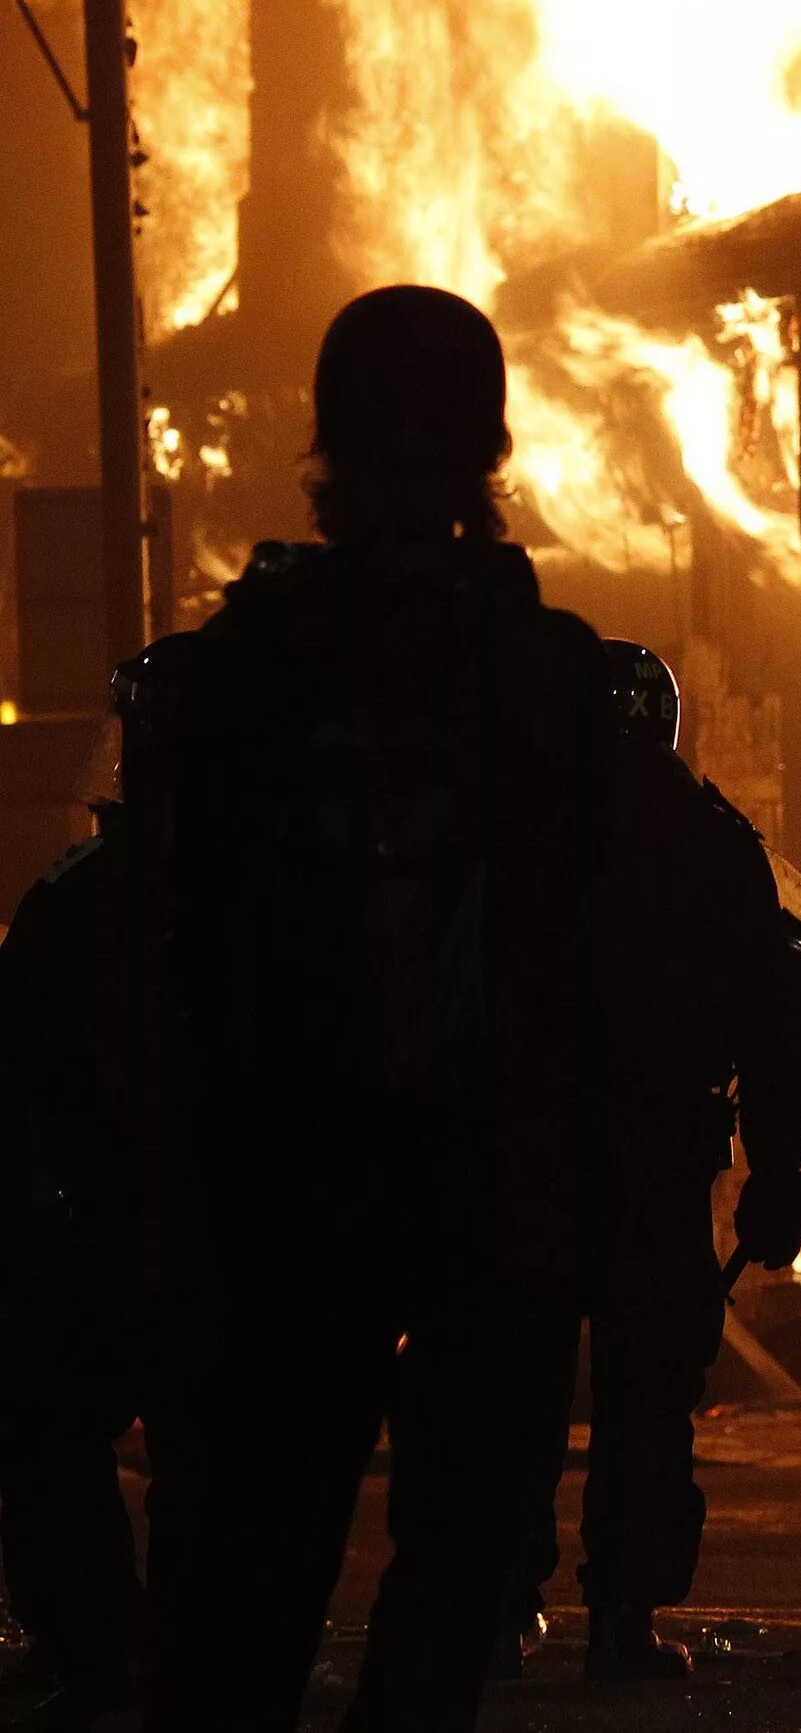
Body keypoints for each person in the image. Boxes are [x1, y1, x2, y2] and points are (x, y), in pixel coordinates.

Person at [137, 285, 618, 1733]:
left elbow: (161, 945)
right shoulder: (548, 672)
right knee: (459, 1550)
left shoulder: (230, 678)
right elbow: (593, 945)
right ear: (491, 453)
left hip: (290, 1183)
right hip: (488, 1181)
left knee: (256, 1546)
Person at [498, 642, 801, 1680]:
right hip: (656, 1162)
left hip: (530, 1159)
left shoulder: (519, 837)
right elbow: (771, 1029)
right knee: (643, 1397)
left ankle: (495, 1608)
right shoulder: (713, 841)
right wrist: (777, 1173)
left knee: (517, 1391)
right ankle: (623, 1621)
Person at [0, 644, 188, 1716]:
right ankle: (130, 1643)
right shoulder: (278, 904)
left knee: (57, 1435)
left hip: (113, 1226)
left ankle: (107, 1642)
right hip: (140, 1225)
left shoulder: (81, 899)